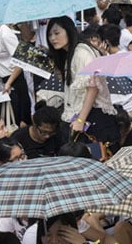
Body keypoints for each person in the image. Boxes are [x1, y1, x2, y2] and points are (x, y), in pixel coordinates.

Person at [44, 17, 117, 151]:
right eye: (49, 35)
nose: (53, 38)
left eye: (56, 33)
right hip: (80, 116)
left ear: (69, 31)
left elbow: (92, 88)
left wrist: (81, 120)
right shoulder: (70, 53)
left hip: (91, 118)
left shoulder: (82, 52)